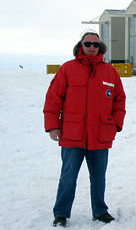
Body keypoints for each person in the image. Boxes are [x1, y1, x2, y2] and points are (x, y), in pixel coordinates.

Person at [43, 31, 126, 227]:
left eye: (95, 45)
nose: (91, 47)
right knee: (68, 176)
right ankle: (61, 213)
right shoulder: (67, 69)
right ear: (81, 45)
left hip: (100, 135)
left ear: (100, 48)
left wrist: (115, 124)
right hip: (73, 135)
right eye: (87, 43)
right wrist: (53, 126)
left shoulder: (110, 72)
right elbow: (53, 99)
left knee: (99, 177)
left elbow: (119, 100)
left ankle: (100, 211)